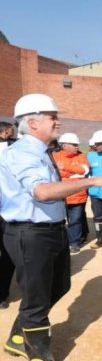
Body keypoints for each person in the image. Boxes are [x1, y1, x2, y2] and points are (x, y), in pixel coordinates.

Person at [0, 93, 102, 361]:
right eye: (53, 116)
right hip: (30, 233)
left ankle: (17, 337)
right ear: (33, 121)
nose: (57, 120)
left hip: (51, 230)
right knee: (37, 299)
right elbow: (41, 191)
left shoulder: (40, 150)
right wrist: (91, 180)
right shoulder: (23, 152)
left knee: (59, 285)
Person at [53, 133, 90, 255]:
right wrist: (72, 173)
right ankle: (62, 242)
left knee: (75, 220)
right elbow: (54, 174)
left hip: (78, 196)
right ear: (65, 145)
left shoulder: (81, 156)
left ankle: (74, 243)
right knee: (59, 221)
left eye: (77, 145)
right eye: (74, 145)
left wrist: (65, 168)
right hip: (60, 195)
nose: (77, 147)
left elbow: (84, 171)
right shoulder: (54, 156)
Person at [0, 122, 16, 309]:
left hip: (7, 206)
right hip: (9, 206)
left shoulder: (11, 147)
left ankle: (3, 292)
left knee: (7, 252)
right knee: (7, 251)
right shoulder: (13, 148)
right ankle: (2, 293)